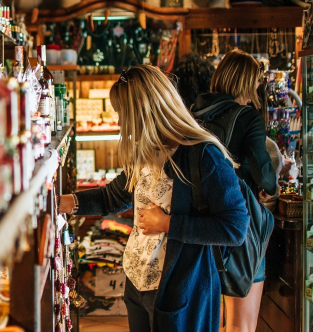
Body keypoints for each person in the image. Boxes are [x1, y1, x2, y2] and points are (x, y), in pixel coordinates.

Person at [58, 65, 249, 332]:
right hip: (137, 284)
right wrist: (62, 202)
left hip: (177, 291)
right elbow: (111, 197)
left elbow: (235, 228)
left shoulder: (204, 156)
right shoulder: (147, 150)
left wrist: (169, 224)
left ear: (144, 112)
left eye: (124, 114)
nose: (120, 123)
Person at [192, 49, 278, 332]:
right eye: (254, 84)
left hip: (199, 223)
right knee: (242, 323)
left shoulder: (195, 111)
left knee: (208, 318)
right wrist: (274, 184)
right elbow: (263, 175)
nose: (255, 92)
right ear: (246, 83)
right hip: (239, 222)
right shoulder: (248, 116)